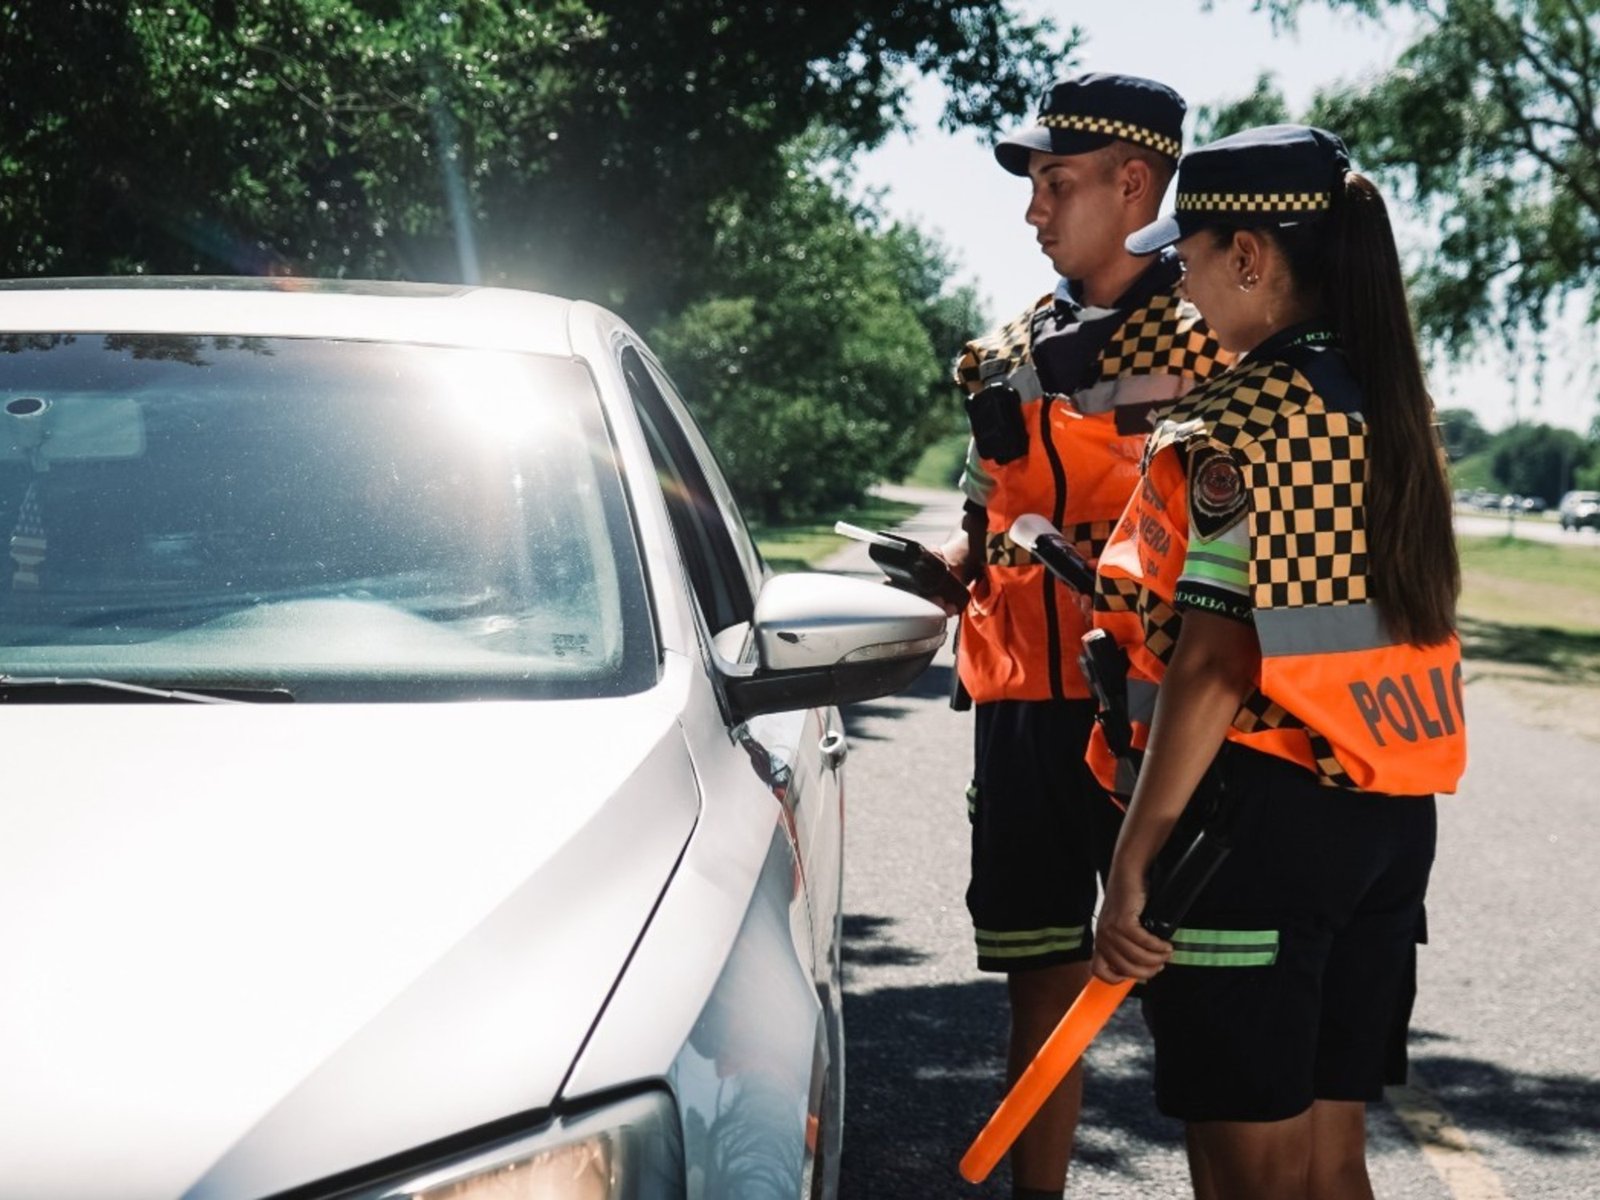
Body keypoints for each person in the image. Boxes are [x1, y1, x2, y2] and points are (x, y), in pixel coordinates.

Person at [1085, 124, 1468, 1200]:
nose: (1181, 282)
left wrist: (1131, 860)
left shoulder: (1232, 424)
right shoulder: (1395, 412)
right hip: (1386, 822)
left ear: (1248, 255)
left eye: (1190, 255)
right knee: (1331, 1158)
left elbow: (1211, 669)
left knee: (1246, 1170)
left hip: (1251, 829)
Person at [938, 74, 1232, 1199]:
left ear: (1134, 183)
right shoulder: (1003, 351)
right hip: (1021, 714)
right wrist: (951, 569)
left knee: (1200, 1014)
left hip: (1160, 718)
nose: (1033, 213)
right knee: (1036, 991)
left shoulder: (1219, 341)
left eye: (1056, 186)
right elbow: (984, 515)